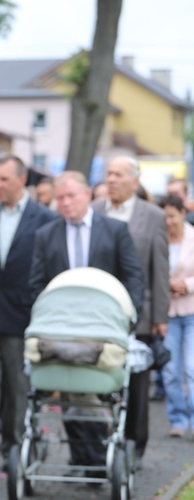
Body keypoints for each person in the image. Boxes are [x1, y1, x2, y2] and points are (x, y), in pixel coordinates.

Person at [29, 170, 144, 473]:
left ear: (87, 195)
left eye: (71, 196)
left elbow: (133, 274)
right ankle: (82, 459)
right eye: (60, 198)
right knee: (68, 391)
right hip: (61, 329)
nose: (65, 203)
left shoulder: (115, 230)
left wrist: (130, 315)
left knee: (99, 394)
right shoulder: (46, 234)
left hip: (104, 327)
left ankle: (103, 455)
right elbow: (36, 282)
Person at [0, 154, 57, 475]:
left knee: (18, 388)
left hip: (23, 316)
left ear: (22, 179)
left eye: (4, 179)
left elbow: (47, 267)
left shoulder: (44, 217)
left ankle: (17, 449)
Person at [93, 156, 169, 465]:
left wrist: (160, 317)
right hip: (98, 311)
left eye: (118, 174)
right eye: (108, 174)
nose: (110, 179)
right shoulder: (95, 210)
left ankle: (135, 443)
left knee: (137, 383)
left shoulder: (152, 216)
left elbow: (159, 269)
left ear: (134, 182)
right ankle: (100, 442)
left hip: (139, 311)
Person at [159, 194, 194, 437]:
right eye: (165, 217)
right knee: (171, 370)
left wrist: (187, 285)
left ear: (183, 213)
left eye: (172, 216)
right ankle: (178, 419)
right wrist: (167, 284)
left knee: (192, 368)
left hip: (191, 310)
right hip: (167, 312)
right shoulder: (159, 238)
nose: (168, 221)